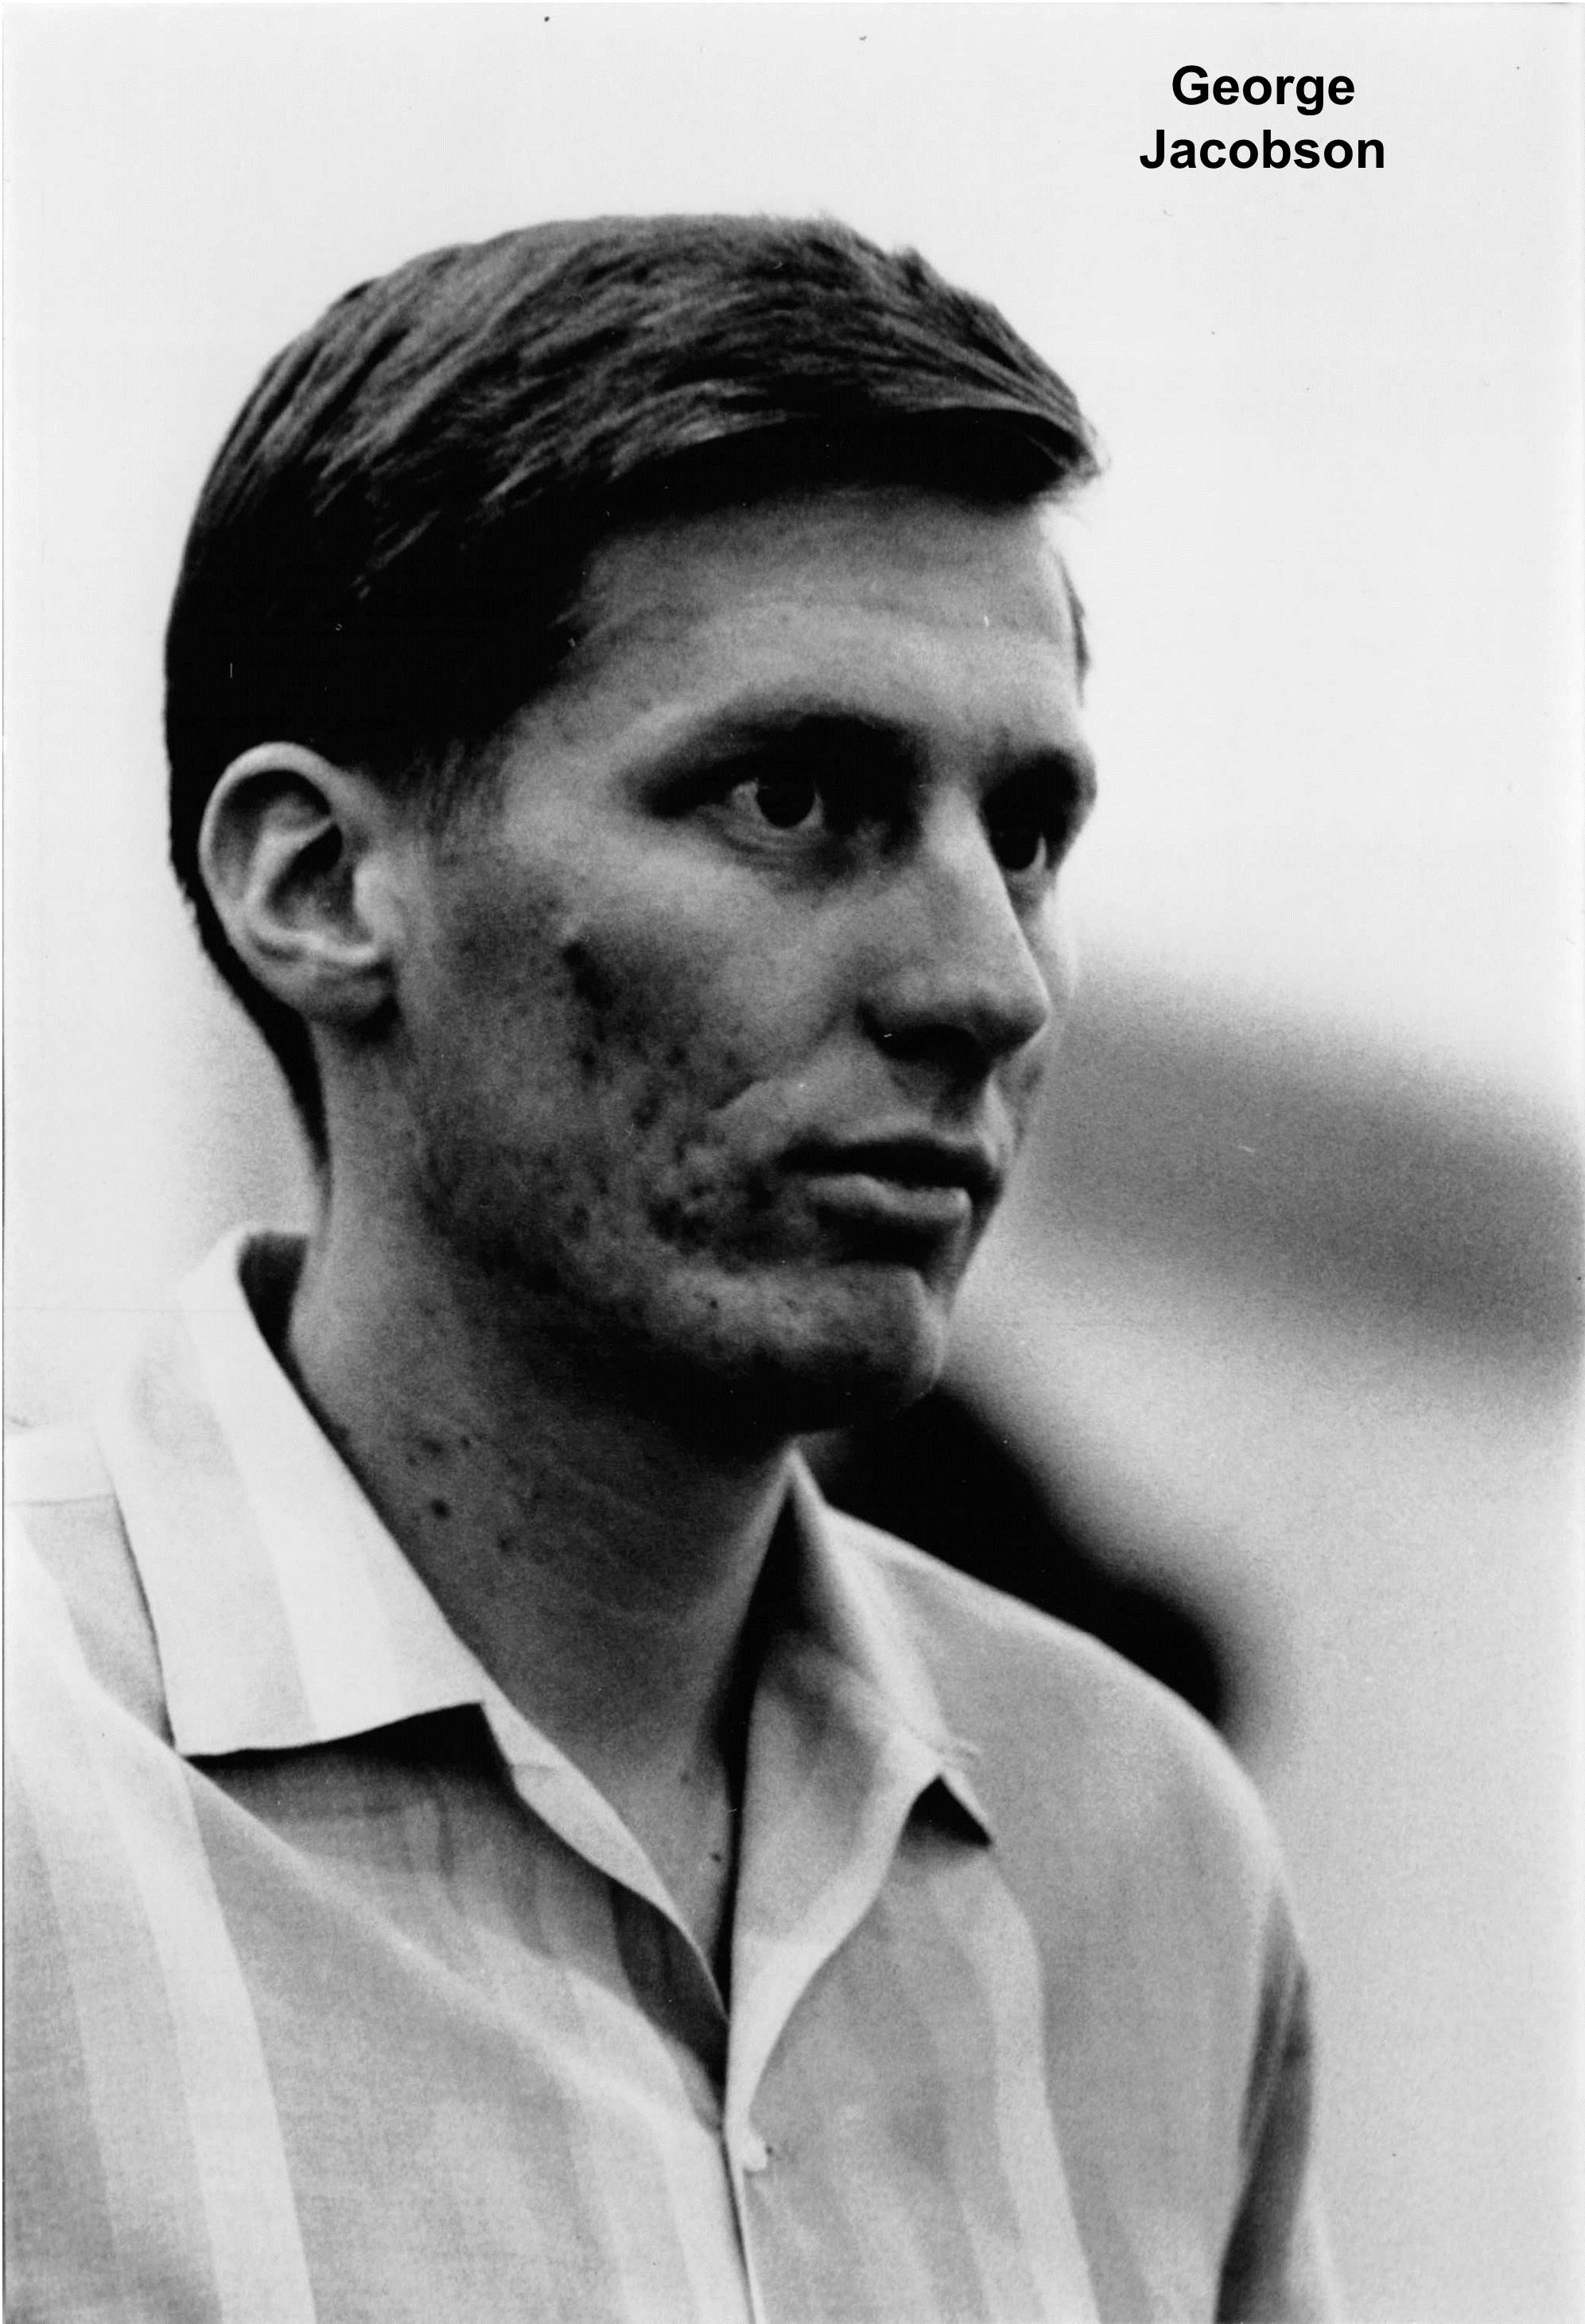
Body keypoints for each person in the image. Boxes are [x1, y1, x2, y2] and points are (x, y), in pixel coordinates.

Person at [6, 215, 1334, 2322]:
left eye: (1024, 836)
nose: (989, 982)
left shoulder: (1148, 1857)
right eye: (795, 797)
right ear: (320, 882)